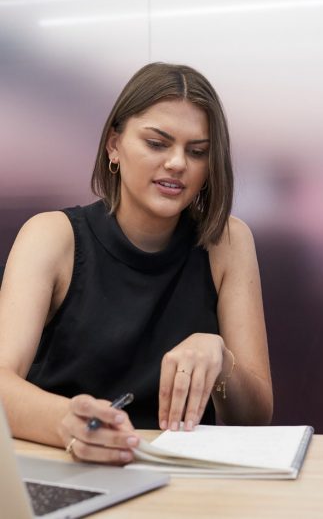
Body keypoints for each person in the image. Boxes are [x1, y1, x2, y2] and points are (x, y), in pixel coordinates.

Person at [0, 63, 272, 464]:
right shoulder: (51, 236)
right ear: (114, 146)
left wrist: (221, 359)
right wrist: (69, 423)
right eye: (157, 143)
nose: (178, 163)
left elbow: (257, 419)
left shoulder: (227, 242)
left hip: (186, 480)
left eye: (197, 152)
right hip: (66, 464)